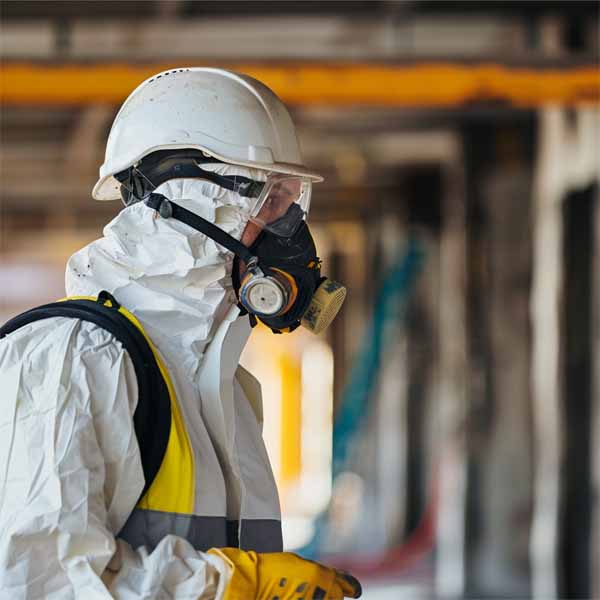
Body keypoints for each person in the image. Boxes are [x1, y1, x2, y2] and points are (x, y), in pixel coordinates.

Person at [0, 68, 360, 600]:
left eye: (293, 200)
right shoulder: (73, 357)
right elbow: (41, 581)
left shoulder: (219, 384)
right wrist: (231, 589)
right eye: (271, 200)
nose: (290, 228)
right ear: (194, 200)